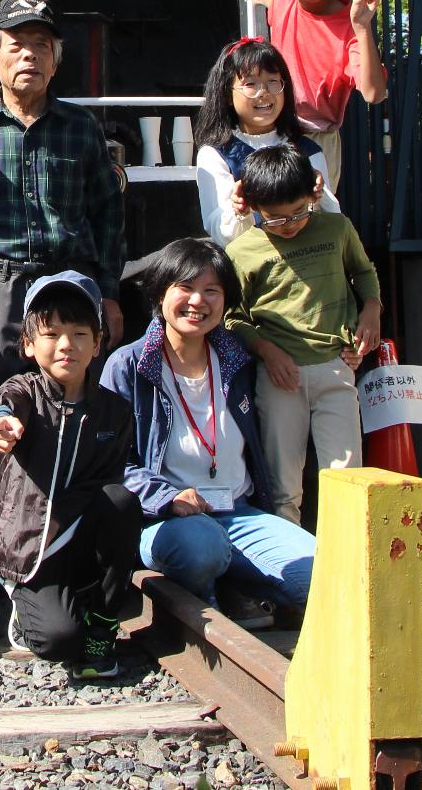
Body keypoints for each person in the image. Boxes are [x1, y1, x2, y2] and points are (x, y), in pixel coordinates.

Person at [0, 0, 125, 558]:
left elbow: (107, 216)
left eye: (42, 46)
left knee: (66, 409)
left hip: (68, 287)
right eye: (17, 46)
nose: (30, 58)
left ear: (56, 60)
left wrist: (109, 294)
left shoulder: (81, 128)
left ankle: (59, 545)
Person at [101, 238, 314, 622]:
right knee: (202, 550)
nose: (198, 301)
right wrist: (167, 497)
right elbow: (109, 463)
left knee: (318, 573)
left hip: (240, 513)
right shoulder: (128, 365)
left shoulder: (238, 360)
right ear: (160, 293)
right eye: (185, 287)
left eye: (211, 291)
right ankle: (218, 590)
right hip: (166, 520)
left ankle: (236, 585)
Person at [0, 272, 140, 678]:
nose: (66, 345)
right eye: (51, 334)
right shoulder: (24, 391)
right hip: (32, 549)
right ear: (29, 345)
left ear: (98, 342)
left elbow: (110, 494)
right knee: (59, 641)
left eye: (80, 333)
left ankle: (103, 622)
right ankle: (25, 610)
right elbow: (4, 406)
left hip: (80, 539)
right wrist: (1, 424)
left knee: (123, 502)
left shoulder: (115, 411)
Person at [225, 146, 383, 524]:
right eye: (276, 219)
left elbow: (363, 272)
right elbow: (231, 316)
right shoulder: (242, 250)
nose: (291, 224)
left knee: (346, 477)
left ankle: (346, 569)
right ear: (252, 205)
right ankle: (291, 574)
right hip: (280, 376)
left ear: (314, 192)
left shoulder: (336, 227)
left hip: (336, 365)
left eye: (299, 212)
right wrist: (265, 350)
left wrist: (372, 310)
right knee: (283, 486)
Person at [241, 0, 386, 191]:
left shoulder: (350, 28)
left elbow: (374, 93)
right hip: (272, 131)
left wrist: (363, 27)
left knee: (314, 222)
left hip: (317, 139)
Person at [191, 37, 338, 246]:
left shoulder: (307, 150)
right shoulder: (215, 155)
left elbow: (332, 221)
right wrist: (239, 211)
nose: (264, 92)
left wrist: (319, 193)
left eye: (273, 81)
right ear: (226, 94)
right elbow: (221, 234)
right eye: (250, 84)